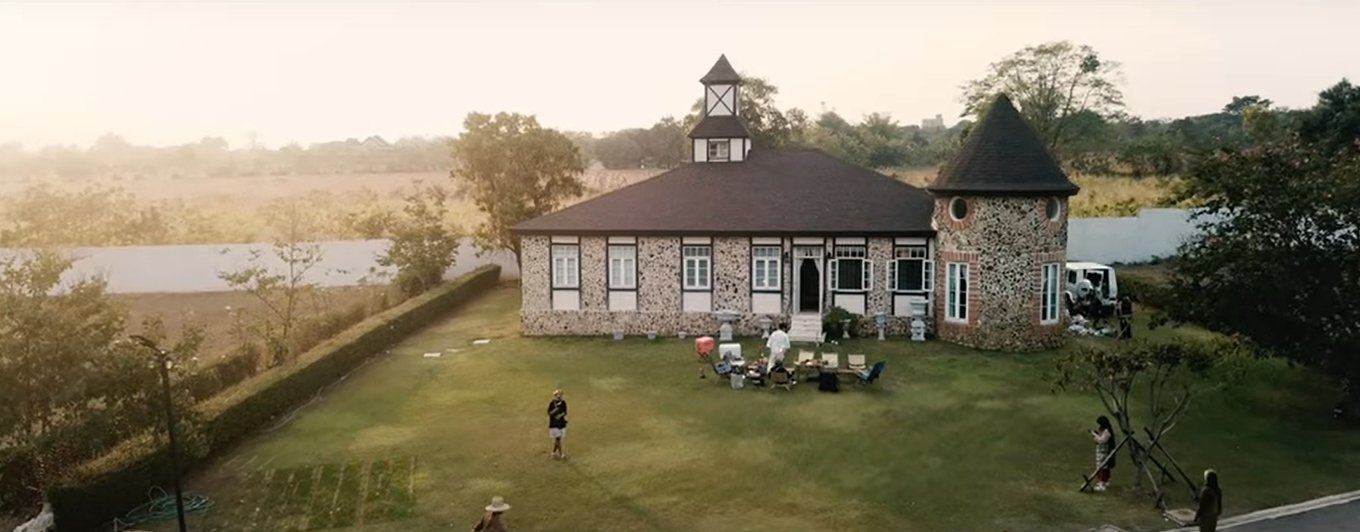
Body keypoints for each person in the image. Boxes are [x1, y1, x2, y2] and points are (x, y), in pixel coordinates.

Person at [1091, 415, 1116, 491]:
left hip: (1104, 452)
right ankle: (1104, 481)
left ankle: (1102, 483)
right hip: (1101, 451)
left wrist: (1095, 435)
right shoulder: (1104, 430)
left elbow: (1102, 441)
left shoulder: (1107, 432)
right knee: (1102, 466)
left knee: (1103, 467)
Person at [547, 389, 568, 460]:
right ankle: (561, 453)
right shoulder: (552, 403)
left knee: (558, 439)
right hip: (554, 424)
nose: (559, 396)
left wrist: (560, 415)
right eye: (558, 395)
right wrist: (555, 411)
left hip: (561, 423)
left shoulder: (563, 403)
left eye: (560, 395)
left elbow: (565, 412)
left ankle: (553, 452)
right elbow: (549, 413)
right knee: (558, 438)